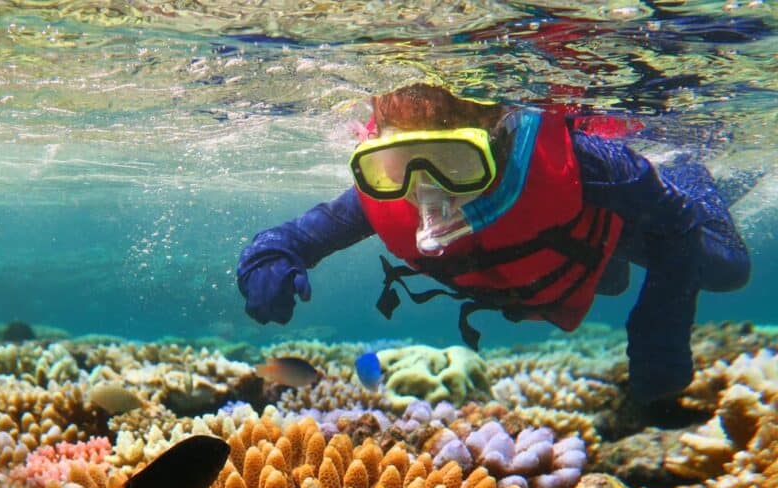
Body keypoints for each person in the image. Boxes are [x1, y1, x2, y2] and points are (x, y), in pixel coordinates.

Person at [236, 83, 750, 407]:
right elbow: (293, 238)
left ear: (500, 141)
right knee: (610, 283)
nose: (426, 189)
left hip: (598, 225)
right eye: (398, 165)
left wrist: (660, 331)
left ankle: (691, 171)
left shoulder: (587, 163)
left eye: (455, 163)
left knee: (726, 269)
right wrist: (267, 259)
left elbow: (677, 224)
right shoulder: (382, 199)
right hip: (556, 264)